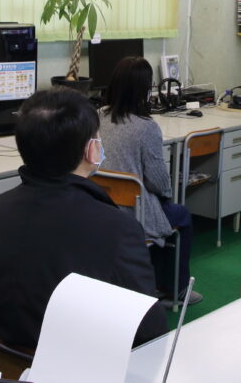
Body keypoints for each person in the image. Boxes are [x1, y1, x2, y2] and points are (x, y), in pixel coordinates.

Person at [0, 87, 166, 351]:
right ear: (91, 150)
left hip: (9, 359)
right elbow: (150, 330)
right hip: (83, 367)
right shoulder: (117, 228)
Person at [99, 56, 201, 305]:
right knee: (180, 215)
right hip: (133, 211)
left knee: (165, 211)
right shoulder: (146, 127)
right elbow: (158, 182)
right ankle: (174, 289)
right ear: (144, 90)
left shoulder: (98, 116)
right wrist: (165, 193)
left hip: (101, 204)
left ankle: (154, 280)